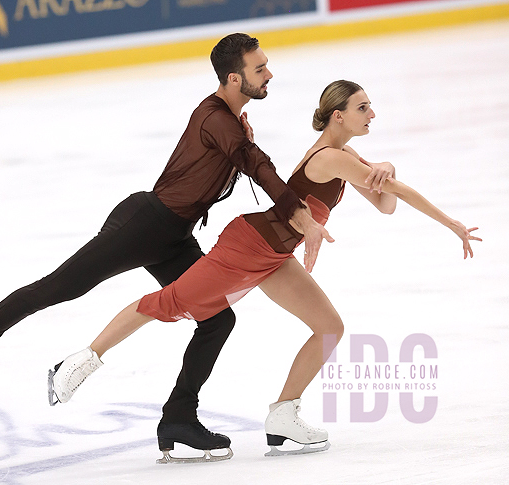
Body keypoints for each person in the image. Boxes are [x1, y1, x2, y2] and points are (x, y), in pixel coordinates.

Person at [0, 34, 370, 460]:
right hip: (144, 224)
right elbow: (256, 165)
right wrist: (299, 214)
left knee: (217, 320)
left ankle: (178, 417)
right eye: (260, 67)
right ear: (235, 78)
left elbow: (249, 160)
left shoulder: (234, 120)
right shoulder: (215, 116)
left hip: (174, 236)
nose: (269, 73)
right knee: (57, 288)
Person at [49, 80, 481, 460]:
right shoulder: (333, 157)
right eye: (363, 107)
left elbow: (385, 202)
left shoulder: (344, 154)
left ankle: (284, 416)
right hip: (247, 246)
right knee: (170, 302)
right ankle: (81, 361)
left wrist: (384, 169)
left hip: (274, 256)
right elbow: (399, 194)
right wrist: (453, 225)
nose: (372, 114)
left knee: (328, 327)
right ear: (339, 115)